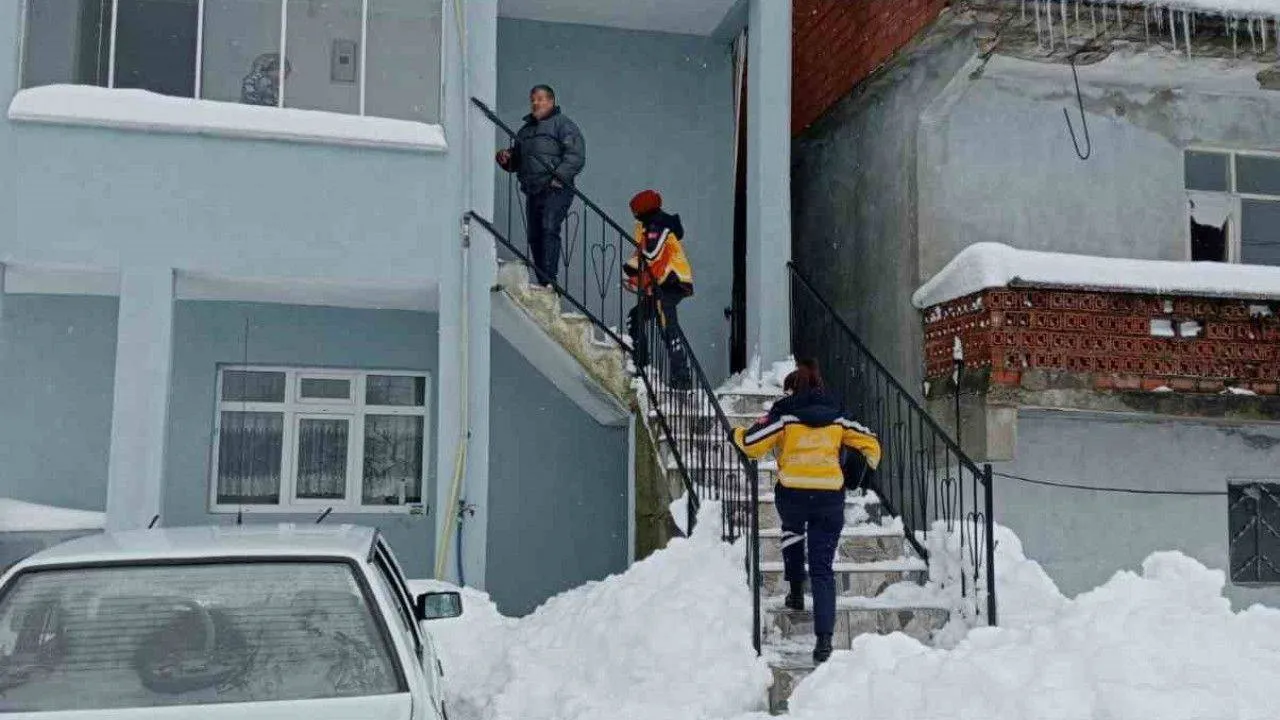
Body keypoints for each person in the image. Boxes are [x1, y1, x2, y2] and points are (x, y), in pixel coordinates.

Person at [733, 360, 882, 664]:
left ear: (792, 389)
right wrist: (863, 473)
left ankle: (796, 588)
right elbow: (871, 444)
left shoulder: (785, 414)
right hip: (829, 497)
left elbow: (752, 444)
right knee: (822, 568)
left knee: (791, 527)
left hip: (794, 494)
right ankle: (824, 642)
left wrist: (735, 433)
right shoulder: (838, 414)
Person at [495, 85, 586, 288]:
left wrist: (558, 178)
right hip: (533, 190)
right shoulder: (525, 131)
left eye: (540, 99)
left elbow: (576, 155)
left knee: (548, 227)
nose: (535, 103)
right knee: (535, 236)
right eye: (533, 100)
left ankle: (550, 280)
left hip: (556, 188)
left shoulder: (563, 124)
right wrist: (506, 158)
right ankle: (544, 281)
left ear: (551, 101)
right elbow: (518, 161)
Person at [623, 189, 694, 390]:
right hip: (661, 283)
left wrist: (633, 267)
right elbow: (645, 258)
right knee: (636, 317)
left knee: (667, 325)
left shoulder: (658, 226)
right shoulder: (649, 227)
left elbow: (651, 253)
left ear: (643, 210)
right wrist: (634, 272)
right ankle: (641, 362)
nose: (634, 216)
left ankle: (682, 377)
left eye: (635, 211)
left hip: (673, 281)